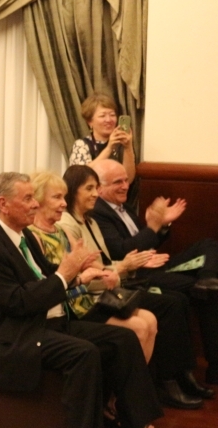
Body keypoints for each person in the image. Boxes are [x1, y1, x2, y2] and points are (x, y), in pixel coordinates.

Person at [0, 172, 187, 428]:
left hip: (43, 323)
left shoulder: (21, 236)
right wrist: (64, 274)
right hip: (13, 339)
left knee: (123, 338)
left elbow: (46, 282)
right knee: (83, 354)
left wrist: (78, 277)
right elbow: (19, 302)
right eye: (27, 199)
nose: (34, 204)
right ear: (3, 204)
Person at [30, 169, 207, 411]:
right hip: (81, 302)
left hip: (100, 290)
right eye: (89, 188)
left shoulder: (82, 223)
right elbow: (74, 275)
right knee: (147, 321)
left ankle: (140, 394)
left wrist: (113, 268)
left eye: (96, 188)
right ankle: (129, 400)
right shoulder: (50, 230)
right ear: (38, 201)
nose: (96, 194)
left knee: (155, 316)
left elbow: (96, 264)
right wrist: (122, 266)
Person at [89, 158, 218, 386]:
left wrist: (162, 226)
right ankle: (200, 370)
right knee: (204, 295)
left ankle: (207, 279)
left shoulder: (123, 206)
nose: (125, 186)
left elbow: (146, 241)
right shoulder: (98, 212)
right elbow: (122, 250)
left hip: (153, 264)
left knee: (208, 246)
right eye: (117, 182)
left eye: (126, 180)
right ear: (99, 188)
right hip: (138, 275)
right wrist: (153, 226)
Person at [69, 92, 135, 182]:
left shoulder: (122, 143)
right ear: (90, 122)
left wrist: (128, 147)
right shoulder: (81, 144)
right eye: (102, 116)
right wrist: (109, 148)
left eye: (112, 115)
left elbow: (128, 179)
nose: (108, 120)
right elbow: (80, 176)